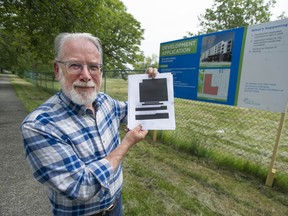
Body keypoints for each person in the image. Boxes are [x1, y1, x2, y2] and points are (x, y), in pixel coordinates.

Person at [20, 32, 158, 216]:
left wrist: (149, 84)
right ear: (57, 69)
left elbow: (134, 112)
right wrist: (126, 144)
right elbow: (80, 186)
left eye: (93, 67)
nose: (86, 75)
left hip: (115, 205)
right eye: (75, 65)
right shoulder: (40, 126)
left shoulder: (105, 102)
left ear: (100, 71)